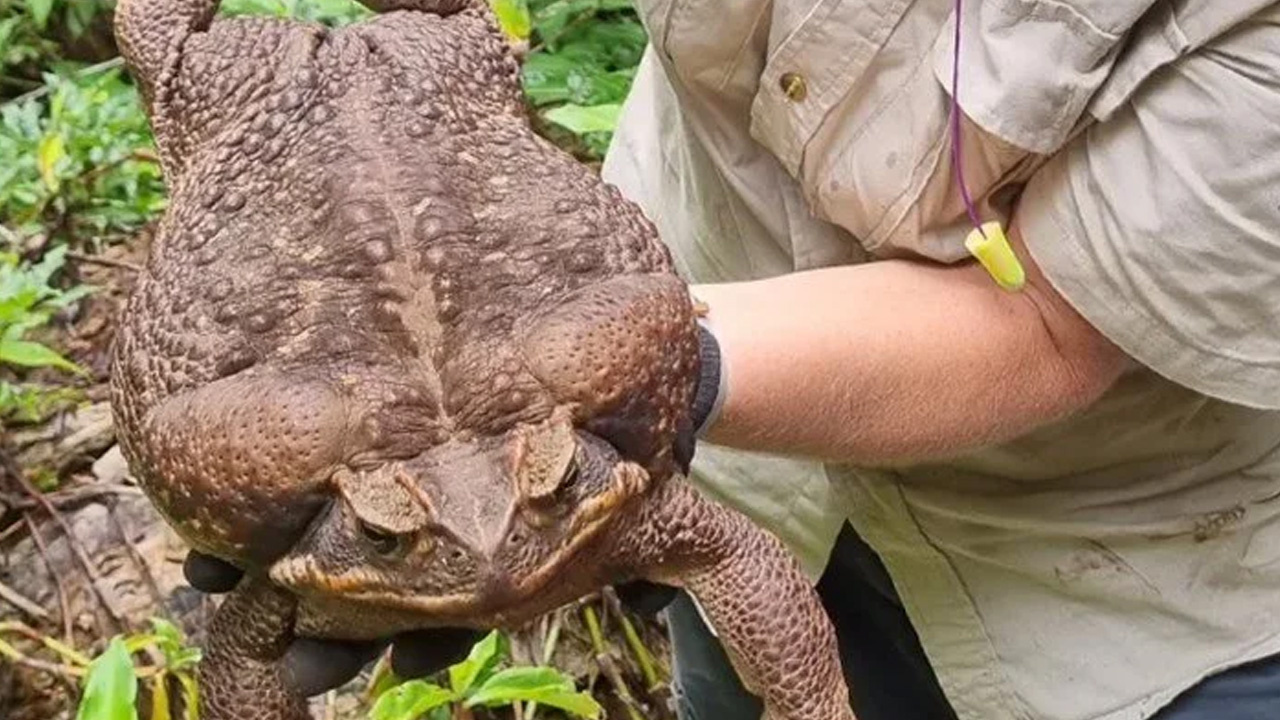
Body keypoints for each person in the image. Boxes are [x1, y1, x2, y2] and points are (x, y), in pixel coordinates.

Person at [186, 1, 1280, 718]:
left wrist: (638, 386)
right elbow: (244, 643)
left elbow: (1043, 326)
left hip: (1120, 556)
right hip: (711, 451)